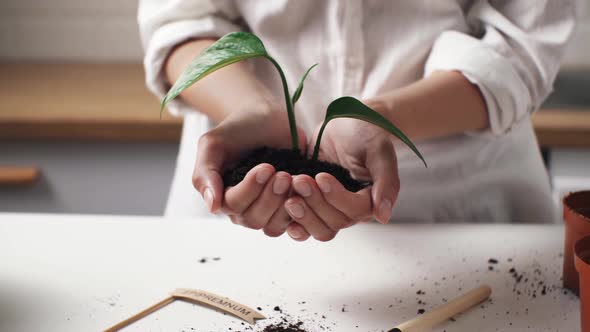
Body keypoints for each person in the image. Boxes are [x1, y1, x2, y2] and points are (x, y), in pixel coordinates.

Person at [139, 0, 575, 241]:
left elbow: (523, 39)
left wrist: (383, 119)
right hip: (244, 189)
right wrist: (248, 110)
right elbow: (180, 21)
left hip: (459, 211)